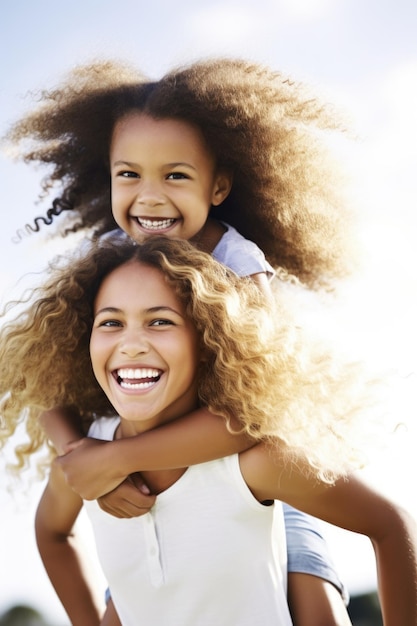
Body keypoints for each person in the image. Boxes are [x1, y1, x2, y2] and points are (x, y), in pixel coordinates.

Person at [4, 58, 363, 622]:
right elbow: (43, 377)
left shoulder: (240, 266)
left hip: (242, 467)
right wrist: (87, 462)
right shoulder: (105, 259)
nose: (149, 197)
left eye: (175, 175)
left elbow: (254, 420)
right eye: (129, 174)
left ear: (217, 184)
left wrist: (118, 456)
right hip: (149, 478)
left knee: (315, 606)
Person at [1, 236, 416, 626]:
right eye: (110, 323)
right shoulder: (85, 462)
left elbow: (391, 525)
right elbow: (53, 533)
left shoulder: (253, 466)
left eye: (160, 322)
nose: (130, 344)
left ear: (206, 342)